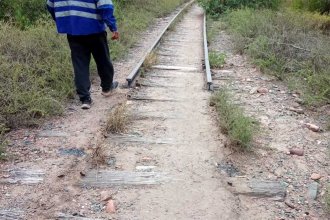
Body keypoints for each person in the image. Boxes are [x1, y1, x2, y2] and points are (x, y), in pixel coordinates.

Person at [46, 0, 119, 109]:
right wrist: (112, 26)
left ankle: (85, 99)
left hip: (73, 31)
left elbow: (50, 5)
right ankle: (107, 88)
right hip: (94, 29)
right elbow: (105, 5)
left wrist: (65, 21)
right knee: (102, 59)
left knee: (79, 64)